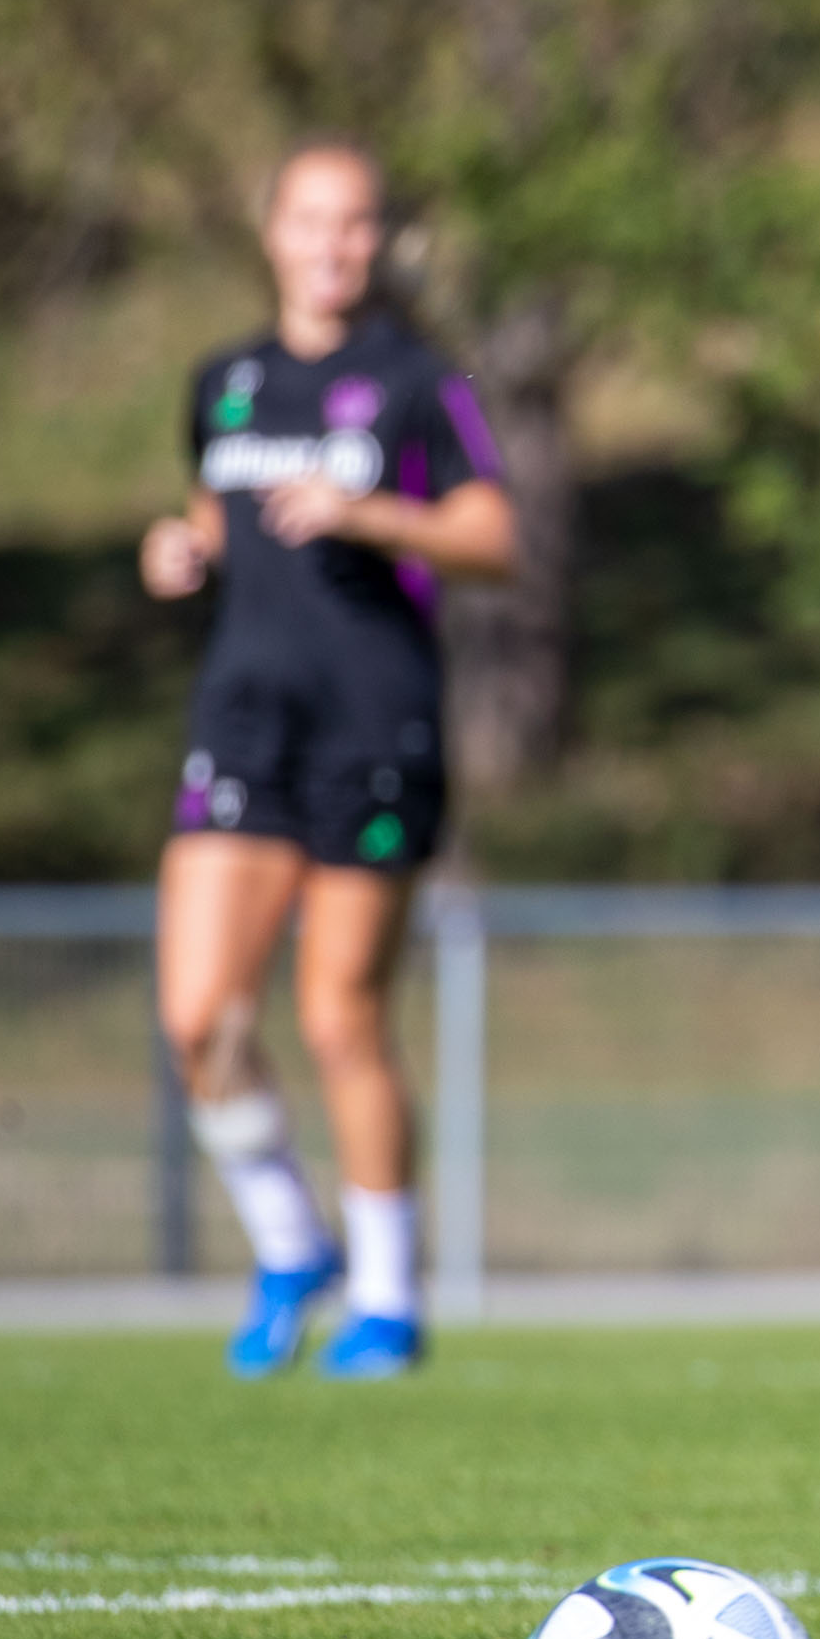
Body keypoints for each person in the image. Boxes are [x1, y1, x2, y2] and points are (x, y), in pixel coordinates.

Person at [140, 141, 518, 1380]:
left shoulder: (414, 382)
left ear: (382, 240)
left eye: (356, 224)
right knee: (199, 1016)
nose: (333, 245)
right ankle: (290, 1244)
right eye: (312, 221)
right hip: (245, 720)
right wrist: (181, 549)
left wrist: (370, 514)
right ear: (272, 231)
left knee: (337, 1013)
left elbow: (493, 532)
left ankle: (391, 1300)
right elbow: (217, 509)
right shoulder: (227, 379)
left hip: (373, 725)